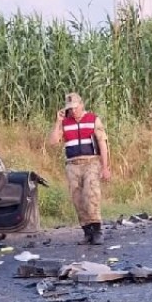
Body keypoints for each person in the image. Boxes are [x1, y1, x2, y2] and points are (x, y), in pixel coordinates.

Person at [50, 92, 111, 245]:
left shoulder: (93, 120)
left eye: (75, 108)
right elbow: (53, 142)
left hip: (91, 162)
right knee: (77, 199)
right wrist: (58, 122)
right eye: (70, 109)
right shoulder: (65, 122)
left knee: (90, 195)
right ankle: (87, 231)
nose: (73, 111)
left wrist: (105, 167)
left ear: (82, 105)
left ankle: (97, 230)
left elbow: (103, 144)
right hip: (72, 164)